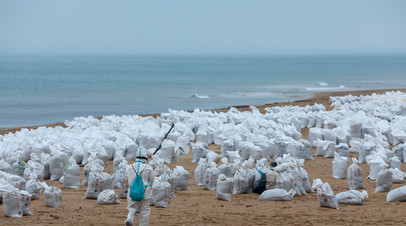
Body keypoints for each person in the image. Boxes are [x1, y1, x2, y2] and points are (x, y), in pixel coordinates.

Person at [125, 147, 154, 226]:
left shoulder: (129, 167)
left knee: (132, 208)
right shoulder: (148, 168)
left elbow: (127, 176)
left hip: (132, 191)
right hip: (145, 191)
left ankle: (130, 218)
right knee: (145, 210)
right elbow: (152, 180)